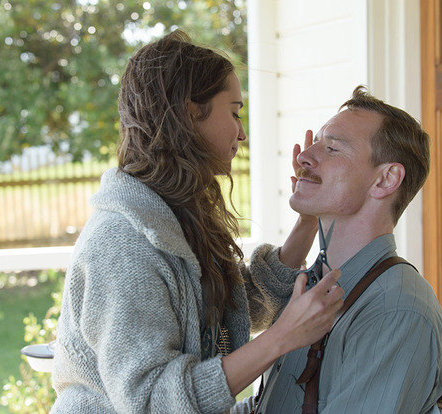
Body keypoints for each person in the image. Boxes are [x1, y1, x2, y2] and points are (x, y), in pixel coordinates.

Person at [49, 30, 344, 414]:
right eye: (235, 112)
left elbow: (232, 315)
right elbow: (152, 402)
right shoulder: (123, 244)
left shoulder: (175, 215)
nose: (242, 132)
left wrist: (306, 223)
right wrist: (281, 339)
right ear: (190, 112)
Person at [252, 86, 442, 414]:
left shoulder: (396, 312)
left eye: (332, 148)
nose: (304, 158)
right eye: (316, 143)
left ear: (385, 179)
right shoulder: (313, 285)